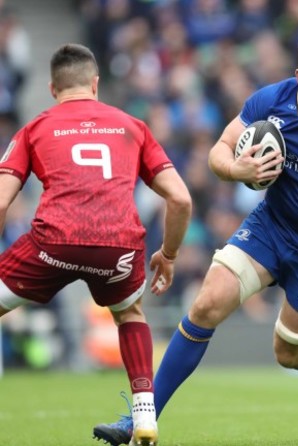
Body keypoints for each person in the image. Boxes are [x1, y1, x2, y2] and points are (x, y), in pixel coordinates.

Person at [93, 34, 298, 445]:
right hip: (271, 226)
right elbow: (221, 149)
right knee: (205, 304)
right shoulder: (271, 100)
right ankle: (141, 420)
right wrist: (238, 171)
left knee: (289, 352)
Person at [0, 43, 192, 446]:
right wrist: (169, 255)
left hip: (54, 242)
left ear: (53, 88)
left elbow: (2, 199)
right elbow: (181, 198)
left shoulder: (36, 127)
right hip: (118, 245)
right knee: (130, 313)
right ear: (96, 83)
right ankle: (145, 416)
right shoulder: (132, 126)